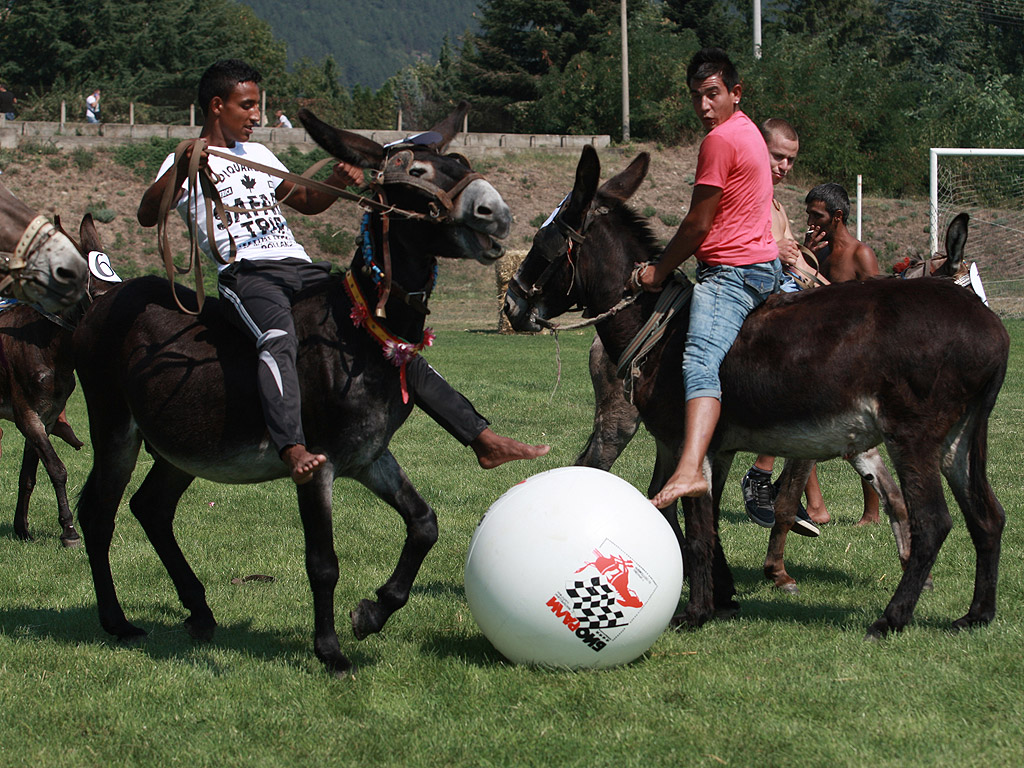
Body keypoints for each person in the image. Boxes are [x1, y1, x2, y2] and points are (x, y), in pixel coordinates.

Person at [137, 59, 547, 484]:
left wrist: (336, 179)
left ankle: (479, 436)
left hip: (297, 264)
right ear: (218, 106)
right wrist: (183, 165)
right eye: (248, 106)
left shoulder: (257, 154)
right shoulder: (184, 159)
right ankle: (293, 446)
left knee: (387, 336)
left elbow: (307, 202)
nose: (257, 116)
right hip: (247, 273)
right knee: (277, 338)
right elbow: (148, 215)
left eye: (258, 105)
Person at [639, 48, 781, 508]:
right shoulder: (749, 131)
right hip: (765, 269)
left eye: (712, 94)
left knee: (698, 361)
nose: (703, 106)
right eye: (696, 97)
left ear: (735, 93)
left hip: (731, 275)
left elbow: (698, 224)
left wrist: (658, 271)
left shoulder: (719, 140)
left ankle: (688, 470)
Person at [738, 118, 824, 535]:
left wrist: (837, 291)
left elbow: (799, 264)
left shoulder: (776, 205)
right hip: (751, 305)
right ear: (759, 149)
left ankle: (788, 492)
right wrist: (775, 250)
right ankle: (760, 476)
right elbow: (724, 243)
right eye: (778, 157)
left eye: (791, 160)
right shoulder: (744, 194)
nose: (785, 166)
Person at [802, 181, 882, 525]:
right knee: (800, 430)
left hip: (853, 359)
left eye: (816, 215)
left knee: (858, 437)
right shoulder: (817, 251)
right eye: (808, 213)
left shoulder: (859, 254)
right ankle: (816, 508)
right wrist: (805, 255)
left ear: (837, 216)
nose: (810, 221)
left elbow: (879, 308)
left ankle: (873, 511)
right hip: (818, 353)